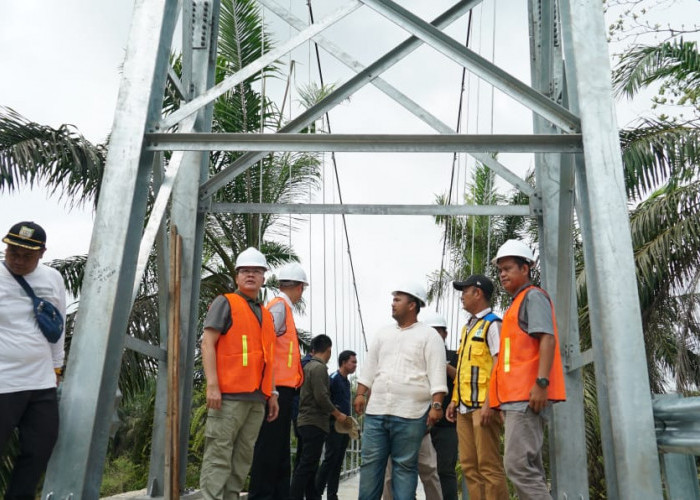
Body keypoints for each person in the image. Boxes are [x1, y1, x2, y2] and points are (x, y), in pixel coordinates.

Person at [199, 247, 279, 500]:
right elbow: (207, 343)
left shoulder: (266, 315)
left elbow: (268, 358)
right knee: (218, 457)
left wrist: (273, 393)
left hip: (256, 400)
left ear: (264, 278)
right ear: (237, 276)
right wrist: (212, 385)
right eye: (245, 270)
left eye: (257, 271)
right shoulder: (226, 302)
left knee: (242, 461)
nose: (251, 275)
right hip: (228, 397)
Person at [354, 282, 447, 500]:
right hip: (376, 412)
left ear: (412, 305)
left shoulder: (429, 336)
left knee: (404, 469)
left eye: (398, 299)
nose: (393, 303)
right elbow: (369, 367)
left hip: (411, 414)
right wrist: (360, 393)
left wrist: (436, 406)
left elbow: (437, 375)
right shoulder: (382, 334)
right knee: (370, 467)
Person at [489, 240, 566, 499]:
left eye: (508, 268)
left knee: (518, 466)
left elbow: (547, 338)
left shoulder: (533, 297)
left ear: (526, 268)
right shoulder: (517, 302)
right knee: (529, 468)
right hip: (516, 398)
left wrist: (541, 383)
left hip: (527, 396)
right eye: (500, 270)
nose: (502, 275)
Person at [0, 221, 66, 499]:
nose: (17, 260)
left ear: (42, 253)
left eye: (26, 255)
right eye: (12, 252)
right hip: (3, 382)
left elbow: (57, 326)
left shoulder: (53, 278)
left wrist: (57, 367)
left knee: (39, 448)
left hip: (40, 382)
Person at [249, 263, 309, 499]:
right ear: (300, 288)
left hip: (283, 389)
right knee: (270, 449)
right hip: (275, 389)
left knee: (280, 451)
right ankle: (263, 495)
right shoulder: (280, 308)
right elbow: (262, 341)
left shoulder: (281, 307)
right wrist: (270, 386)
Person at [446, 275, 508, 500]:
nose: (462, 296)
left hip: (483, 407)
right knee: (469, 467)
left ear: (478, 293)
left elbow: (500, 365)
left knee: (488, 466)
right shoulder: (468, 328)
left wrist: (492, 403)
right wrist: (454, 400)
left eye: (465, 291)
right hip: (463, 408)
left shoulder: (493, 324)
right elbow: (464, 368)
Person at [290, 335, 347, 500]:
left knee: (309, 465)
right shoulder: (319, 368)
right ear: (328, 350)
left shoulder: (307, 366)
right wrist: (337, 414)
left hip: (304, 421)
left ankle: (312, 497)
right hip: (314, 423)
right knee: (307, 466)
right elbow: (321, 396)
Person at [424, 311, 459, 500]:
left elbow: (463, 379)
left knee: (445, 470)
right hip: (420, 422)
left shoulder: (455, 356)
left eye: (438, 331)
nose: (434, 335)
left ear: (445, 334)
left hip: (447, 424)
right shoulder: (419, 356)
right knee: (408, 469)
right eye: (430, 331)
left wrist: (443, 364)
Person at [316, 350, 358, 500]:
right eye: (353, 362)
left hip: (345, 426)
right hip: (333, 424)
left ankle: (332, 495)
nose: (355, 365)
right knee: (330, 459)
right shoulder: (333, 378)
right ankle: (317, 493)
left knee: (338, 460)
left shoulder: (346, 381)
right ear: (344, 362)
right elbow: (324, 400)